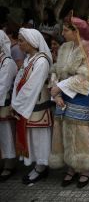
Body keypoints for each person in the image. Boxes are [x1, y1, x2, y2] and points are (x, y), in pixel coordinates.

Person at [49, 15, 89, 188]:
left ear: (76, 31)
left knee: (80, 132)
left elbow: (86, 75)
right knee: (64, 129)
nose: (62, 33)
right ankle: (71, 165)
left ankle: (85, 167)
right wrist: (55, 93)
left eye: (65, 30)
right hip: (62, 95)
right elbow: (54, 70)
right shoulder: (64, 47)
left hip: (81, 95)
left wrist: (60, 87)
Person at [11, 28, 53, 184]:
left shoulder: (41, 61)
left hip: (36, 107)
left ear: (32, 42)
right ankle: (37, 165)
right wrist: (17, 102)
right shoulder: (30, 58)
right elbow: (18, 82)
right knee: (32, 138)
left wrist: (17, 104)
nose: (19, 44)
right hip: (27, 106)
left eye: (21, 41)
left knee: (39, 139)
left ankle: (41, 168)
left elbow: (32, 87)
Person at [0, 30, 18, 181]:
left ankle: (9, 164)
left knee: (6, 135)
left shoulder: (8, 62)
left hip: (4, 105)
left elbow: (3, 86)